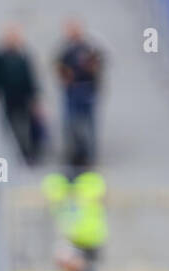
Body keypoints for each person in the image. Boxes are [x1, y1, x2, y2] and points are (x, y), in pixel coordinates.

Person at [0, 24, 41, 164]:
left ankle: (26, 155)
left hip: (23, 99)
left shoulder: (23, 57)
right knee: (7, 128)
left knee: (24, 128)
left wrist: (34, 98)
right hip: (7, 99)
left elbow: (31, 79)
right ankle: (8, 157)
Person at [55, 19, 102, 171]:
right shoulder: (65, 50)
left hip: (87, 91)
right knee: (71, 125)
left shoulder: (90, 48)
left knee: (88, 126)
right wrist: (65, 77)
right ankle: (73, 157)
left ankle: (89, 157)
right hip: (72, 92)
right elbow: (58, 67)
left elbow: (98, 66)